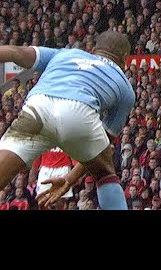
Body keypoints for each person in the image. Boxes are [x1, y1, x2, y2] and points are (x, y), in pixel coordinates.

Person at [0, 30, 136, 210]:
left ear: (93, 49)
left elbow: (17, 53)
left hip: (38, 107)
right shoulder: (125, 89)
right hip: (79, 112)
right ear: (125, 57)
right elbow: (106, 139)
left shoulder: (65, 53)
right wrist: (70, 179)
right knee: (104, 173)